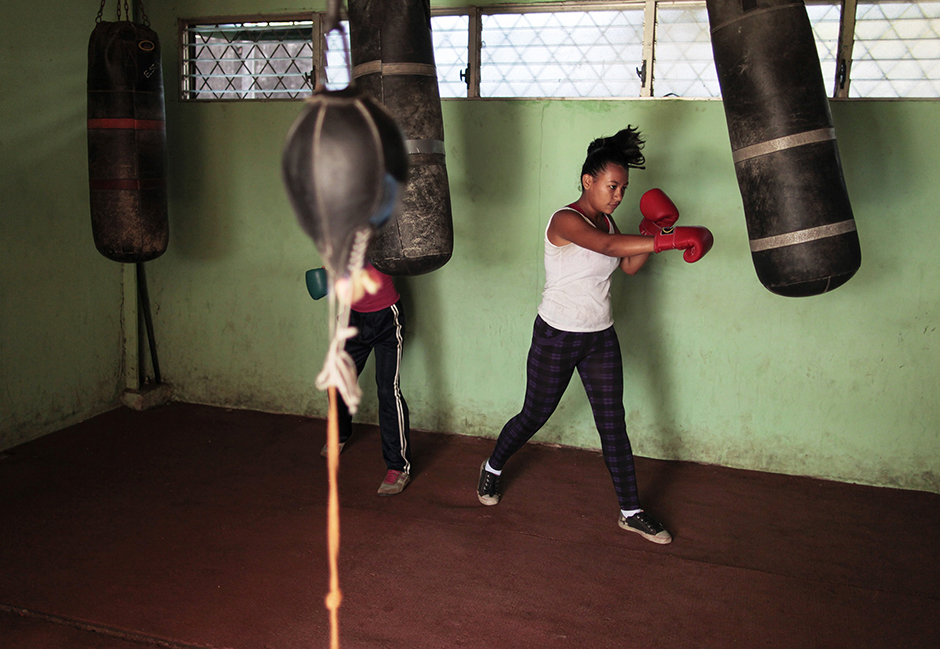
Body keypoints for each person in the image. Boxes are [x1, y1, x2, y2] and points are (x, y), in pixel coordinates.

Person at [476, 126, 712, 544]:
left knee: (612, 423)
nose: (618, 195)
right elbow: (605, 247)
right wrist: (669, 240)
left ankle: (631, 511)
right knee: (535, 414)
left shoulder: (608, 220)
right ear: (588, 180)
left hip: (599, 336)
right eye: (612, 186)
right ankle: (492, 466)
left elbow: (627, 267)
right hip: (557, 334)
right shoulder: (565, 219)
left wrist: (651, 233)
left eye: (623, 188)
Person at [312, 263, 412, 495]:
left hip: (386, 318)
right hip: (353, 317)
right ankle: (341, 433)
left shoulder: (381, 238)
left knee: (388, 391)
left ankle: (398, 467)